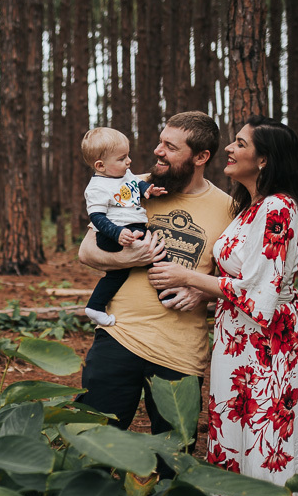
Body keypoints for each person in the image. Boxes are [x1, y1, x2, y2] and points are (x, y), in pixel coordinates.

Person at [149, 114, 298, 496]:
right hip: (235, 342)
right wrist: (204, 291)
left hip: (266, 348)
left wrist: (186, 276)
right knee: (236, 435)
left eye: (241, 144)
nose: (230, 148)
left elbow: (260, 292)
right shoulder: (251, 210)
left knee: (266, 441)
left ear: (264, 160)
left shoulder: (279, 209)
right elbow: (236, 281)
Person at [76, 112, 234, 477]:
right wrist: (132, 255)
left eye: (170, 147)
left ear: (200, 157)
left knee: (173, 466)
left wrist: (203, 293)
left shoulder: (228, 209)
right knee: (94, 454)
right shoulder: (130, 185)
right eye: (160, 142)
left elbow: (239, 284)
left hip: (179, 355)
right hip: (118, 338)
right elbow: (87, 252)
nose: (157, 151)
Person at [79, 127, 166, 328]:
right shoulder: (97, 188)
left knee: (120, 272)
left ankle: (95, 306)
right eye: (122, 158)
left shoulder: (124, 175)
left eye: (128, 156)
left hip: (133, 227)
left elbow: (137, 184)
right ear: (100, 165)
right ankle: (167, 295)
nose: (129, 162)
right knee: (158, 255)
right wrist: (117, 234)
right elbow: (97, 217)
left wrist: (148, 191)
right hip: (113, 233)